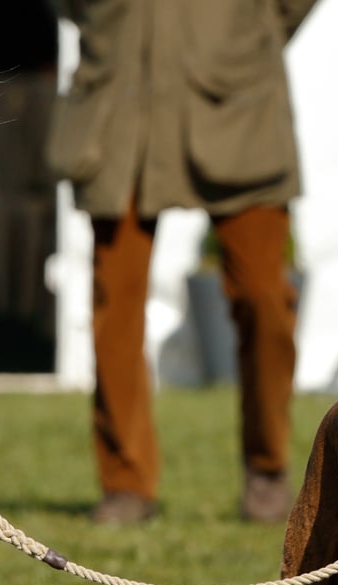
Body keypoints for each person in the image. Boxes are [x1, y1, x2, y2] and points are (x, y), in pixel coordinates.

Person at [47, 0, 317, 524]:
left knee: (264, 296)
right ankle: (126, 482)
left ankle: (267, 467)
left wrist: (247, 29)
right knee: (115, 303)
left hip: (237, 98)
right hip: (121, 93)